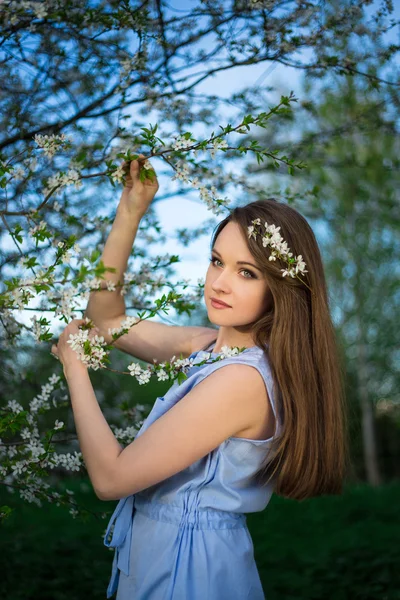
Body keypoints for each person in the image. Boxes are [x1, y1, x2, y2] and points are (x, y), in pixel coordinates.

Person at [52, 156, 348, 599]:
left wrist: (76, 369)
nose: (219, 283)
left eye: (246, 273)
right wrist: (130, 211)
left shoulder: (242, 383)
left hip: (189, 571)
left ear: (281, 288)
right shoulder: (206, 346)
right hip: (164, 556)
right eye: (216, 261)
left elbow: (111, 479)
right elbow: (106, 321)